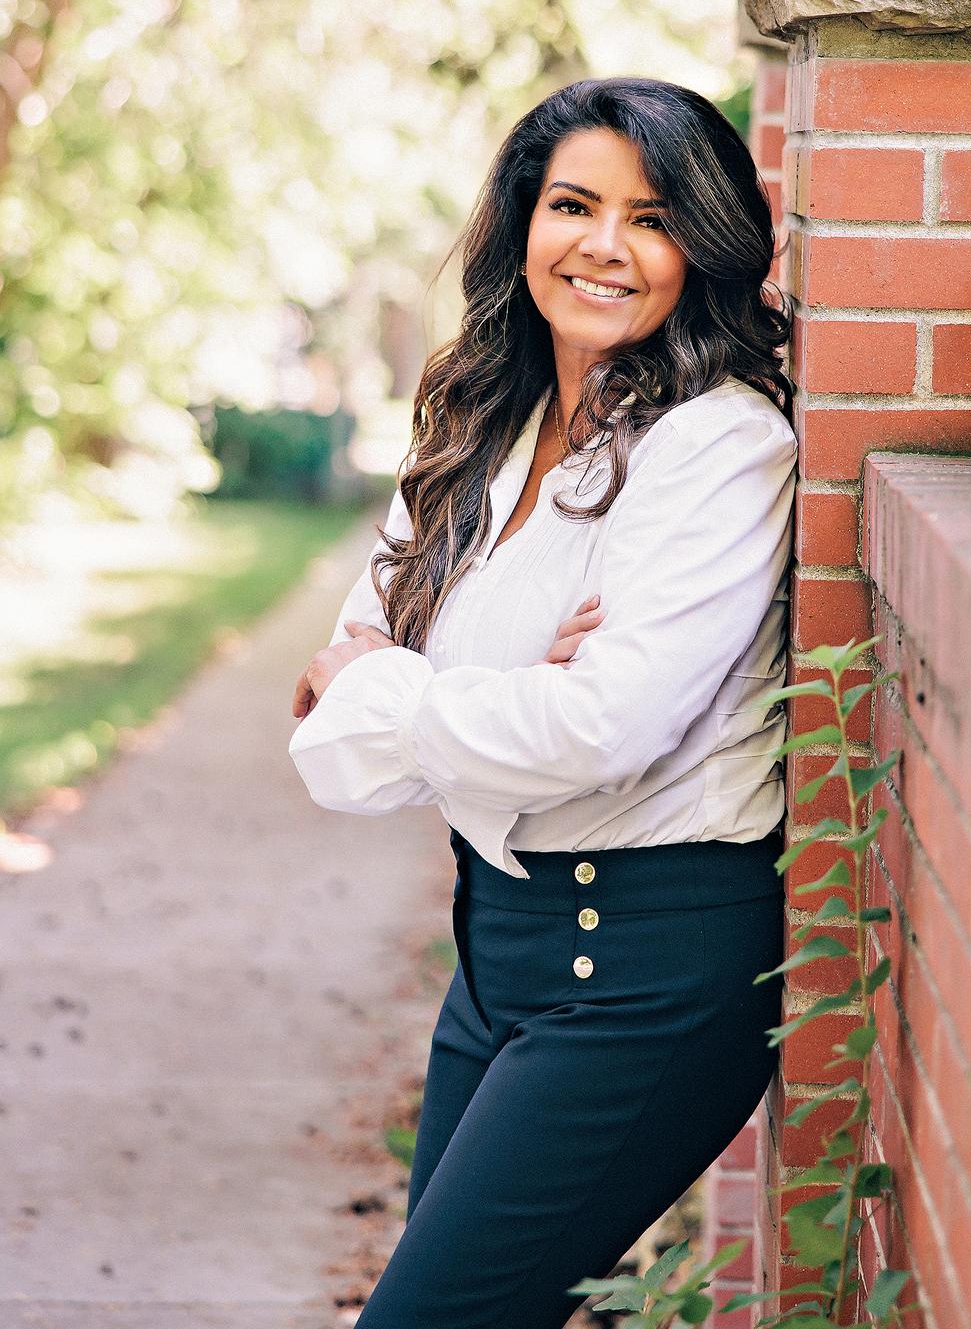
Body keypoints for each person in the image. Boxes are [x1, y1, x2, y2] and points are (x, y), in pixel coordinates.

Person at [287, 75, 798, 1329]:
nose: (605, 245)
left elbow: (602, 728)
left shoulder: (719, 446)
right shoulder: (487, 420)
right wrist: (491, 695)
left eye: (653, 215)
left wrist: (414, 692)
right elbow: (329, 707)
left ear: (706, 246)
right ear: (524, 223)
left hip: (646, 966)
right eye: (573, 203)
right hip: (500, 948)